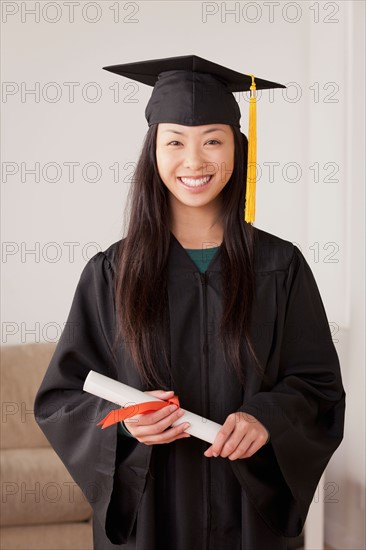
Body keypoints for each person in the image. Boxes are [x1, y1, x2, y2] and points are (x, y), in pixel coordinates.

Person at [34, 55, 346, 550]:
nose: (194, 161)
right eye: (175, 142)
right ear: (153, 153)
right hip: (150, 513)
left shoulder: (281, 267)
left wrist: (266, 416)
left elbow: (318, 386)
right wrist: (125, 425)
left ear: (237, 150)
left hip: (248, 512)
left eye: (213, 141)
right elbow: (62, 398)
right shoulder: (111, 273)